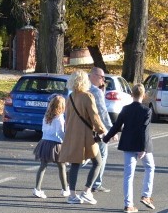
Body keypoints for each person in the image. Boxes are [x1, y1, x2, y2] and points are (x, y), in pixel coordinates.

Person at [103, 84, 155, 213]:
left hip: (128, 144)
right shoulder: (146, 110)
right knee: (149, 167)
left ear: (132, 95)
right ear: (143, 96)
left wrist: (105, 138)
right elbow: (144, 130)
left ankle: (128, 205)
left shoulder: (125, 109)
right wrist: (142, 148)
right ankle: (146, 195)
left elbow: (116, 126)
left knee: (128, 175)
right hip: (143, 146)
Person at [58, 70, 106, 205]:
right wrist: (102, 130)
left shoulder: (71, 97)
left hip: (73, 135)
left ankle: (72, 195)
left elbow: (67, 117)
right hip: (86, 135)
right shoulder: (87, 96)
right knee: (97, 162)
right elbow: (94, 116)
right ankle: (86, 191)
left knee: (75, 164)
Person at [31, 94, 69, 199]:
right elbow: (60, 132)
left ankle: (37, 189)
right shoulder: (59, 118)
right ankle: (65, 189)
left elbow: (43, 129)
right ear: (62, 106)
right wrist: (66, 141)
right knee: (61, 166)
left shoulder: (47, 116)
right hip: (56, 144)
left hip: (44, 142)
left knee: (43, 166)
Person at [87, 67, 114, 193]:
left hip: (84, 127)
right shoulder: (96, 92)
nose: (103, 79)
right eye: (101, 77)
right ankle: (96, 183)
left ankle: (72, 171)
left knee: (87, 153)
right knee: (101, 154)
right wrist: (110, 129)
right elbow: (102, 112)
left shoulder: (82, 89)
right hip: (98, 129)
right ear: (93, 76)